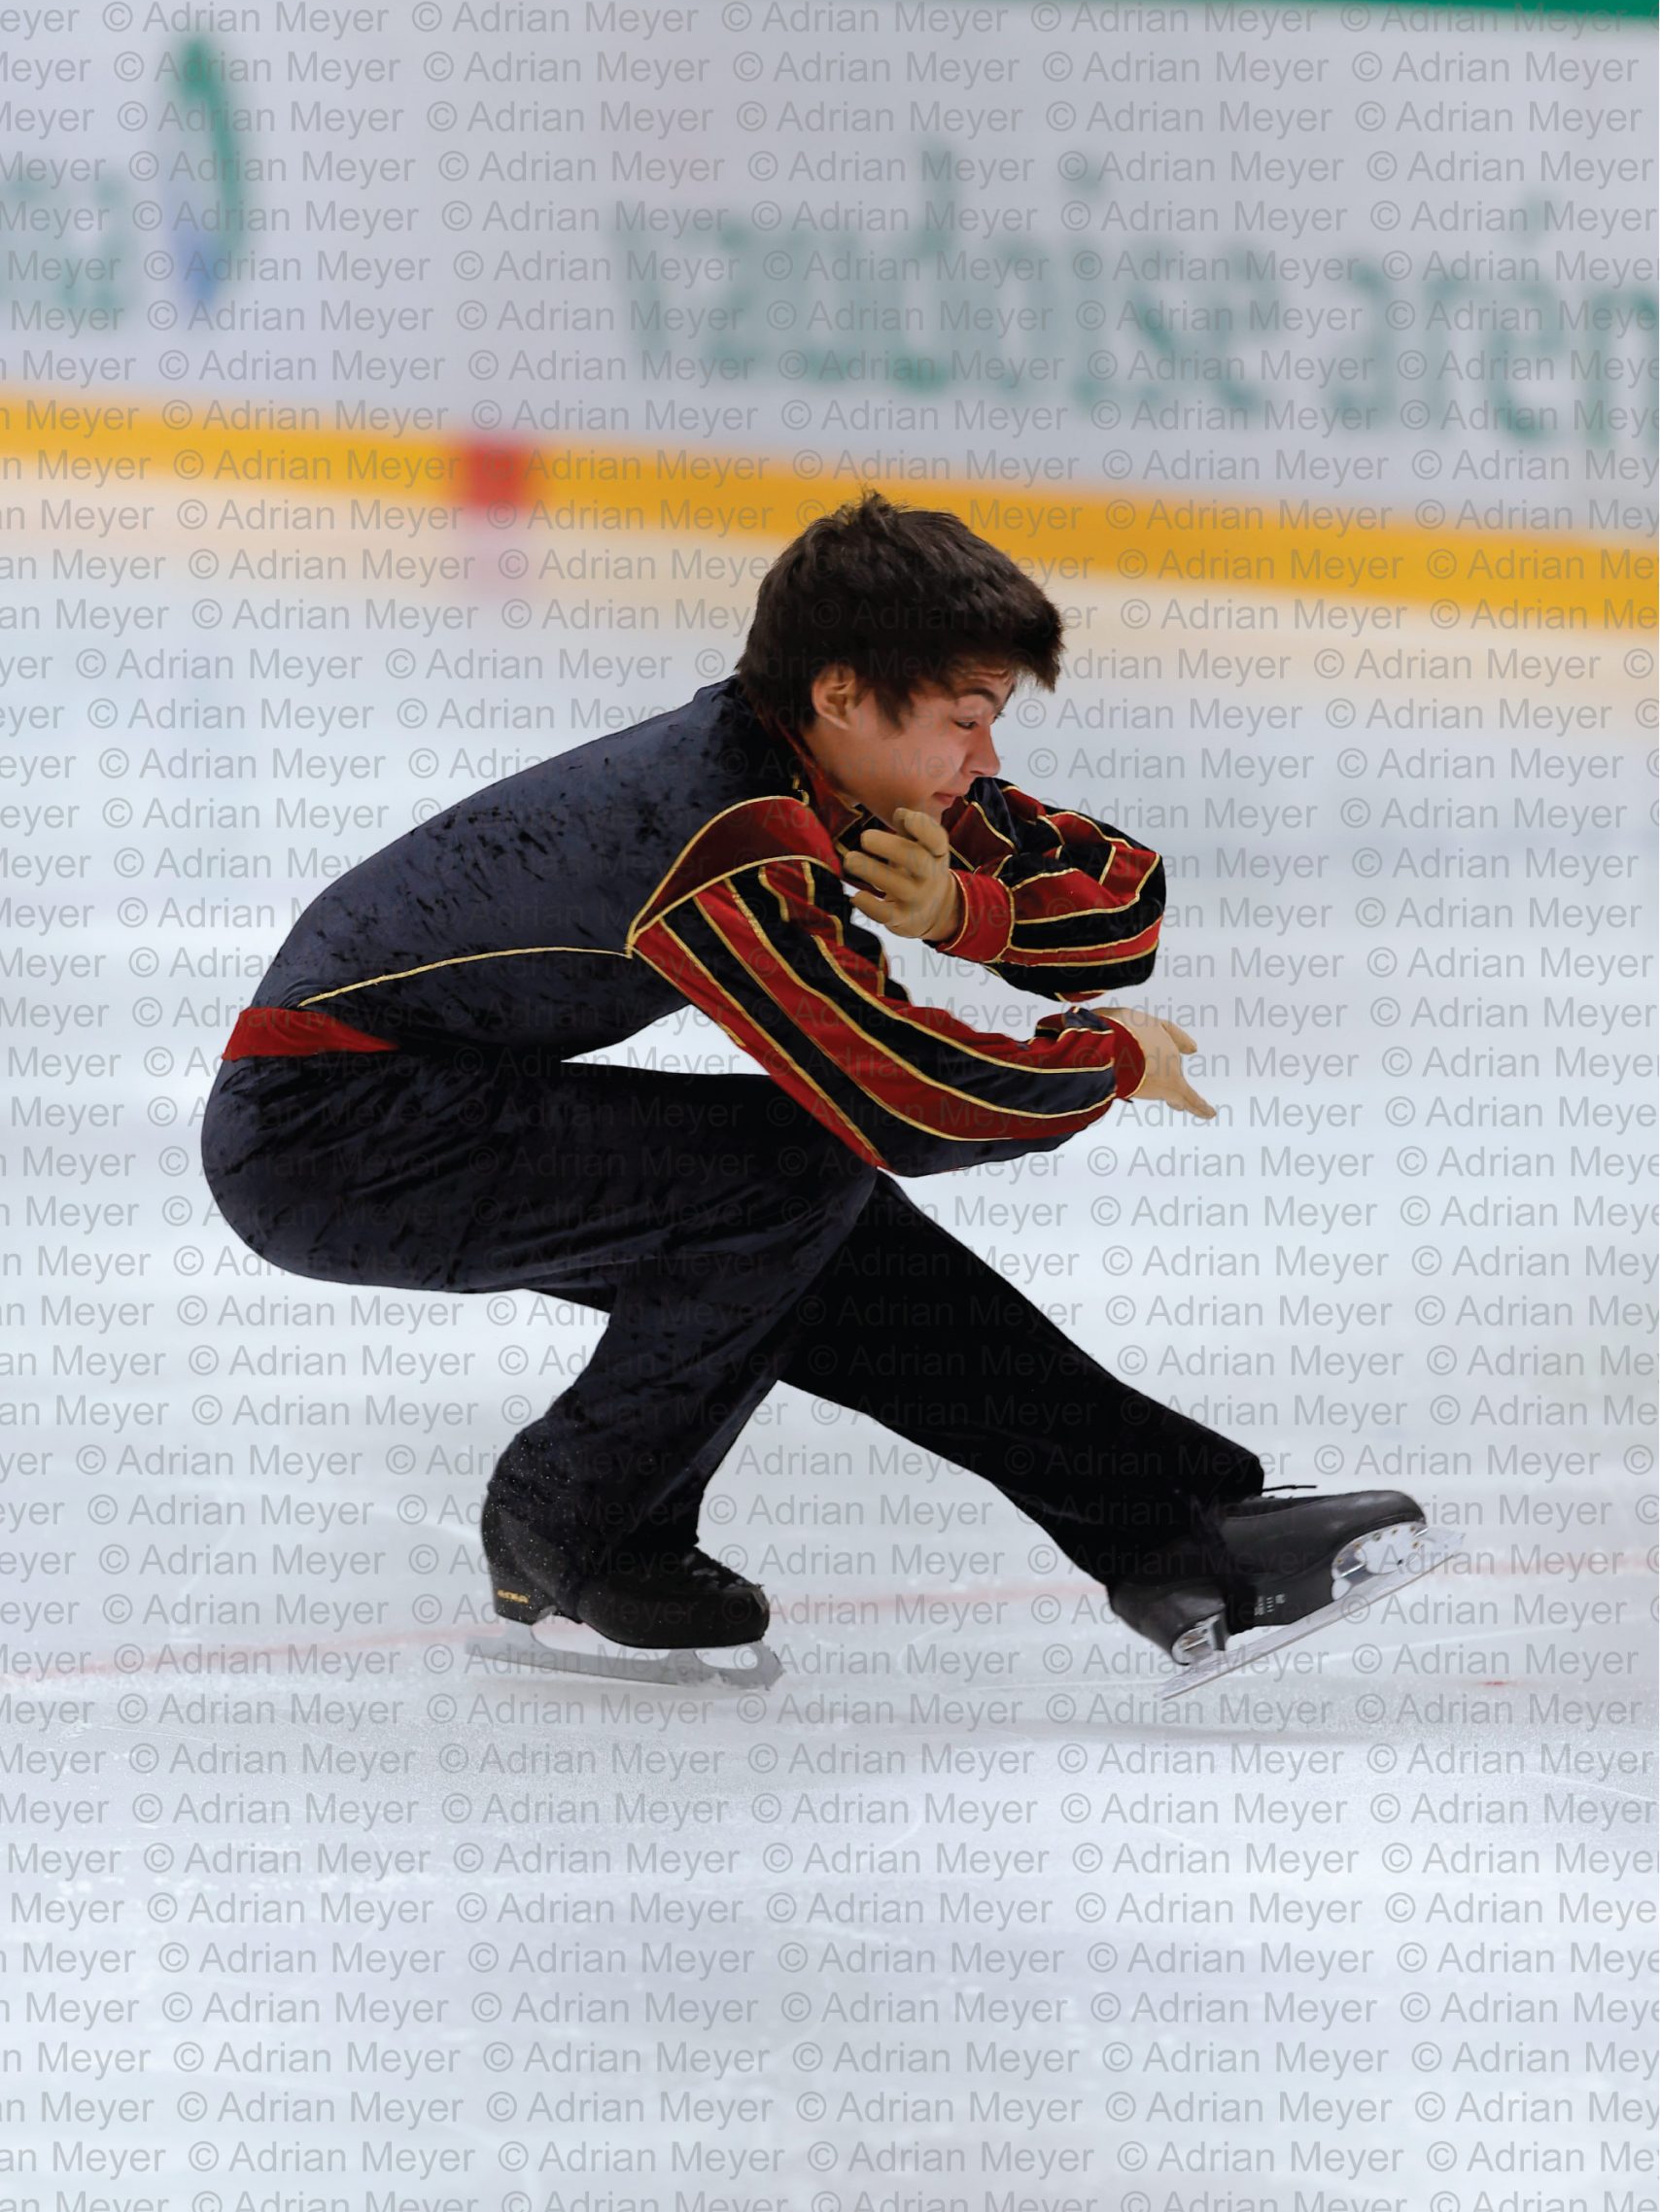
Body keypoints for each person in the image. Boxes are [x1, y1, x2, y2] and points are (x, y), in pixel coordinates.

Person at [199, 493, 1420, 1666]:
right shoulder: (724, 826)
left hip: (416, 1104)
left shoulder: (834, 772)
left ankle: (1179, 1537)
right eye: (965, 717)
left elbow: (1123, 898)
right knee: (794, 1173)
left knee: (815, 1226)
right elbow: (900, 1099)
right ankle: (575, 1521)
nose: (985, 754)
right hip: (326, 1139)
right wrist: (1104, 1060)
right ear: (841, 691)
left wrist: (964, 909)